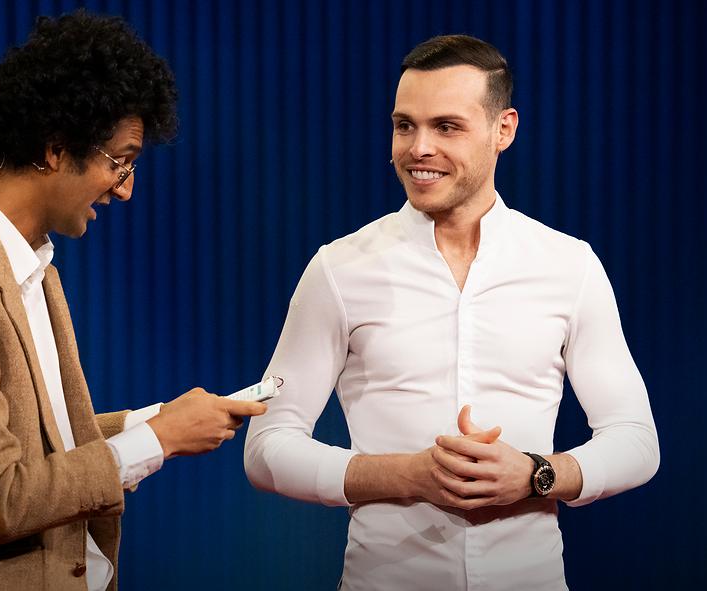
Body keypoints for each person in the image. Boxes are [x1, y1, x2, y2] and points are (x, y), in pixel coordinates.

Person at [0, 11, 266, 591]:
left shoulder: (29, 262)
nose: (126, 188)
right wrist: (159, 440)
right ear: (55, 149)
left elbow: (35, 439)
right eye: (120, 161)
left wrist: (153, 419)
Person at [244, 35, 659, 590]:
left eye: (446, 127)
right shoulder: (339, 269)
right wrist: (407, 475)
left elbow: (635, 440)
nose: (418, 148)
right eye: (404, 125)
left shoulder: (569, 265)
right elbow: (267, 447)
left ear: (503, 130)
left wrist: (536, 473)